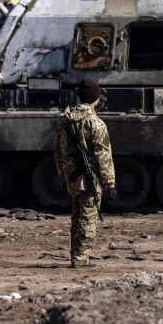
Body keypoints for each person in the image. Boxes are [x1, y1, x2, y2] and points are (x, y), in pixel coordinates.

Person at [54, 79, 117, 268]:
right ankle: (81, 259)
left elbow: (57, 151)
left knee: (76, 216)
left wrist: (63, 176)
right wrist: (110, 183)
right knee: (88, 218)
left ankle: (77, 255)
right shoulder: (96, 124)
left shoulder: (64, 119)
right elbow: (103, 157)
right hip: (89, 179)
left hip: (72, 177)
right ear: (96, 99)